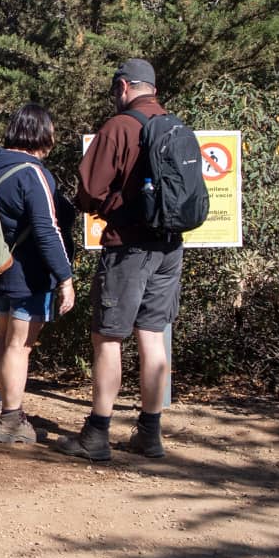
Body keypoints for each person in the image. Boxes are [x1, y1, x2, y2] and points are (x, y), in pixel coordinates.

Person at [55, 58, 179, 461]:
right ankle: (150, 432)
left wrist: (104, 206)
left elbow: (89, 189)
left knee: (108, 337)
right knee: (153, 336)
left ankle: (97, 434)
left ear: (124, 86)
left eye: (115, 89)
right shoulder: (176, 127)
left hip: (128, 246)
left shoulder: (119, 127)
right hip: (170, 246)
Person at [0, 104, 75, 444]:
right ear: (41, 133)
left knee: (2, 337)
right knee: (19, 345)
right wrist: (65, 277)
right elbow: (47, 230)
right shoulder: (33, 173)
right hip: (27, 273)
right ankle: (13, 421)